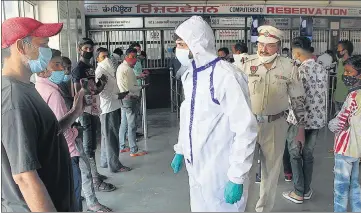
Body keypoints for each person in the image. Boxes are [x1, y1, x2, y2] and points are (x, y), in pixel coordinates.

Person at [170, 16, 258, 212]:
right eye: (177, 44)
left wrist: (237, 175)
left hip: (221, 169)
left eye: (182, 44)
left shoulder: (226, 76)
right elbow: (188, 116)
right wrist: (181, 149)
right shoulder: (190, 75)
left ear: (197, 45)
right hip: (196, 167)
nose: (178, 49)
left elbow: (246, 128)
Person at [1, 17, 82, 212]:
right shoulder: (14, 99)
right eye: (43, 44)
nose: (47, 50)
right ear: (21, 46)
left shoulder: (27, 87)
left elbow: (45, 136)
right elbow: (25, 177)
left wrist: (74, 113)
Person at [237, 25, 306, 212]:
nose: (263, 49)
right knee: (245, 171)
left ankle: (264, 209)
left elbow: (298, 100)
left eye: (269, 45)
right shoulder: (244, 63)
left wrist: (300, 130)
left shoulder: (289, 67)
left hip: (276, 125)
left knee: (271, 172)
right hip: (248, 125)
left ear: (278, 45)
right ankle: (245, 208)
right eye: (260, 44)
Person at [60, 55, 115, 212]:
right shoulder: (69, 78)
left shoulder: (72, 77)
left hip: (82, 117)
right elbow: (72, 103)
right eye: (61, 67)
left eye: (68, 68)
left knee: (87, 153)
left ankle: (93, 180)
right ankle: (93, 191)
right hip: (76, 124)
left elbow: (90, 92)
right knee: (86, 154)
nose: (66, 71)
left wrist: (100, 84)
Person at [282, 37, 328, 204]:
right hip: (317, 121)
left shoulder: (298, 71)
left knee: (295, 155)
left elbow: (298, 100)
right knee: (308, 155)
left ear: (296, 53)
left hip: (299, 122)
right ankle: (306, 189)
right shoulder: (321, 69)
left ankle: (298, 192)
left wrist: (300, 128)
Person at [71, 38, 115, 191]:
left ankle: (94, 173)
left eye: (91, 48)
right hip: (84, 111)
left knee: (92, 145)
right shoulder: (78, 68)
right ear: (79, 49)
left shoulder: (90, 67)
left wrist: (101, 84)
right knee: (88, 146)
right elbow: (77, 93)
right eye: (86, 48)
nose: (89, 51)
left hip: (93, 108)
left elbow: (93, 89)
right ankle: (95, 181)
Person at [328, 56, 361, 212]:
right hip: (357, 149)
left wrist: (331, 123)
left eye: (349, 72)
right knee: (355, 185)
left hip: (345, 147)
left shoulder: (353, 96)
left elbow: (339, 123)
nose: (346, 75)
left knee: (341, 187)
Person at [94, 47, 132, 172]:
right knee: (112, 137)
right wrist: (118, 96)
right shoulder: (100, 72)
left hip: (114, 105)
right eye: (103, 57)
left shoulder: (108, 70)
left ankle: (106, 161)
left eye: (108, 56)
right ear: (97, 59)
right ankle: (115, 165)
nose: (107, 59)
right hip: (108, 108)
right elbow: (102, 93)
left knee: (107, 136)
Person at [117, 48, 149, 157]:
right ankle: (133, 149)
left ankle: (122, 146)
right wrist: (141, 86)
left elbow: (128, 80)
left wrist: (138, 77)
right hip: (130, 99)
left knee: (124, 122)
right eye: (132, 57)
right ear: (126, 57)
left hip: (122, 98)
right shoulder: (128, 69)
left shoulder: (122, 67)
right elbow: (131, 87)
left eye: (136, 57)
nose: (135, 59)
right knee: (132, 124)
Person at [334, 40, 354, 114]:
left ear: (345, 51)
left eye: (339, 48)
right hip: (338, 95)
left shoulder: (352, 63)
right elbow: (339, 79)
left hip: (347, 97)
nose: (337, 50)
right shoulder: (340, 61)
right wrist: (335, 93)